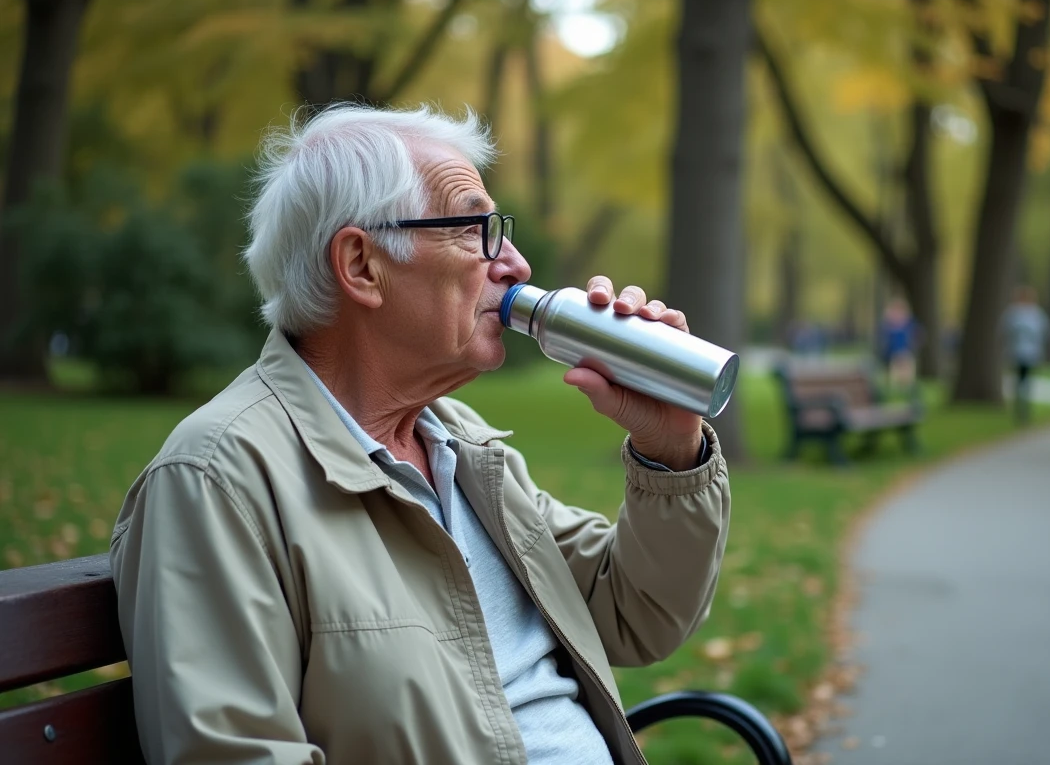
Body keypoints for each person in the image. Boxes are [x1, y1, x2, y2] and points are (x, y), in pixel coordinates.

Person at [109, 104, 731, 764]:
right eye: (477, 231)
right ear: (361, 265)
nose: (516, 265)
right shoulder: (219, 480)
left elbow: (635, 613)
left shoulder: (457, 444)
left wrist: (671, 450)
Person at [1001, 285, 1050, 425]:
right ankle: (1021, 405)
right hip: (1017, 353)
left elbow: (1045, 332)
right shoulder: (1014, 313)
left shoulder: (1035, 314)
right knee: (1021, 380)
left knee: (1024, 380)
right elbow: (1004, 330)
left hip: (1030, 354)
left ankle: (1023, 405)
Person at [879, 297, 919, 391]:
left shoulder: (909, 324)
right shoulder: (888, 325)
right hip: (893, 354)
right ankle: (896, 390)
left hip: (905, 352)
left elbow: (917, 334)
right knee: (895, 374)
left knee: (906, 372)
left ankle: (906, 389)